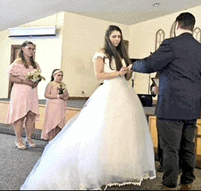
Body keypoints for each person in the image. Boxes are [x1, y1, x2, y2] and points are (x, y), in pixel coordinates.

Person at [20, 25, 156, 190]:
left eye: (119, 36)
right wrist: (117, 73)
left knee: (122, 130)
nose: (117, 39)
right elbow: (99, 75)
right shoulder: (102, 52)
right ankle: (98, 167)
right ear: (108, 37)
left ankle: (117, 166)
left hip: (125, 93)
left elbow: (126, 78)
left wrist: (128, 71)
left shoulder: (122, 54)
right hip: (109, 91)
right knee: (102, 128)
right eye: (114, 36)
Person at [129, 12, 201, 190]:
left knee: (170, 148)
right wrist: (193, 98)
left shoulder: (171, 44)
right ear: (192, 26)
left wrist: (132, 65)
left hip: (171, 107)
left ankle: (169, 183)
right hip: (192, 108)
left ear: (177, 24)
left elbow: (150, 64)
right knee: (188, 146)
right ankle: (187, 182)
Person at [6, 41, 41, 150]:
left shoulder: (35, 64)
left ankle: (29, 138)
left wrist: (36, 81)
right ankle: (19, 139)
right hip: (20, 91)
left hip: (32, 92)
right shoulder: (18, 62)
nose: (31, 51)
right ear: (23, 49)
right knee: (20, 115)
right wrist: (25, 81)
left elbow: (38, 77)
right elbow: (11, 78)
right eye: (29, 48)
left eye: (33, 49)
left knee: (31, 114)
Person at [41, 69, 69, 141]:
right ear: (54, 76)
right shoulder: (51, 84)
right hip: (52, 105)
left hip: (61, 106)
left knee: (60, 121)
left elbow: (67, 95)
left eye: (62, 75)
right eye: (58, 75)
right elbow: (46, 95)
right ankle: (51, 137)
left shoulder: (63, 85)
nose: (60, 77)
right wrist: (58, 96)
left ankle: (57, 138)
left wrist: (64, 96)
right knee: (52, 121)